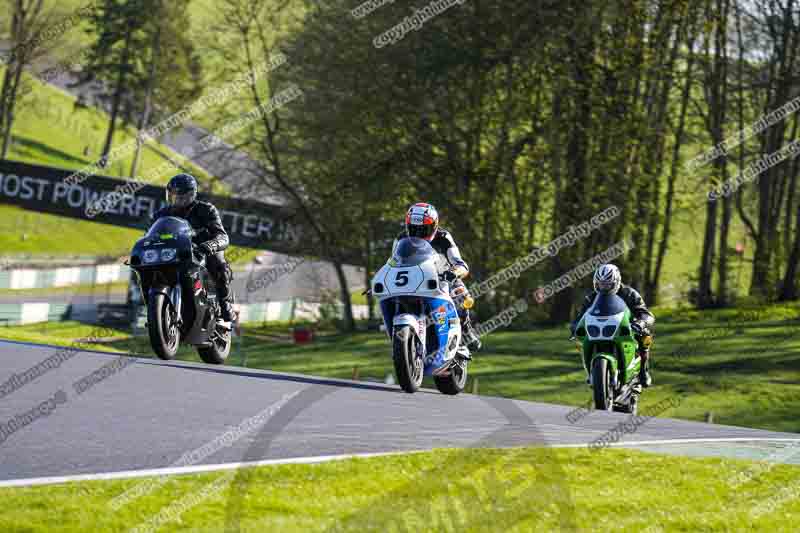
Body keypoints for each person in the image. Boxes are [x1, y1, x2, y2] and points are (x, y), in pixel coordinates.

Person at [394, 202, 482, 357]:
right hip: (412, 277)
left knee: (463, 296)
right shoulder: (401, 238)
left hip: (443, 275)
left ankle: (466, 330)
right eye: (413, 229)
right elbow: (393, 262)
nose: (418, 233)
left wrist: (455, 272)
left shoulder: (443, 237)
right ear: (408, 226)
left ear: (434, 225)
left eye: (423, 229)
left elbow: (460, 263)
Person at [150, 173, 235, 322]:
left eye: (181, 197)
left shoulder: (206, 209)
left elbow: (223, 236)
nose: (177, 200)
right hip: (174, 253)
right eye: (173, 195)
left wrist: (210, 245)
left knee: (218, 263)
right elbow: (149, 236)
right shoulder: (161, 214)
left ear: (191, 195)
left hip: (201, 252)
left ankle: (225, 303)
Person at [571, 264, 655, 387]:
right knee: (582, 342)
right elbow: (580, 316)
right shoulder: (591, 297)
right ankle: (592, 373)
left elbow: (646, 314)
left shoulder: (630, 294)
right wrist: (575, 327)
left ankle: (643, 370)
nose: (603, 287)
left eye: (607, 284)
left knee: (646, 337)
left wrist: (641, 322)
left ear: (616, 282)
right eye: (600, 284)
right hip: (600, 329)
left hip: (627, 327)